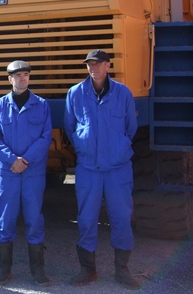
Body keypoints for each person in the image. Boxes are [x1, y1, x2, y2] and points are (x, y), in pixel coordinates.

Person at [64, 49, 140, 290]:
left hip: (117, 169)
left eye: (98, 64)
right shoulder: (75, 93)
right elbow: (70, 127)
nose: (93, 68)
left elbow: (130, 128)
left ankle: (122, 270)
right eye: (90, 64)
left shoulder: (123, 93)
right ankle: (88, 269)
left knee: (121, 218)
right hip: (89, 169)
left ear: (108, 66)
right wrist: (84, 147)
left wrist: (118, 148)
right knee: (86, 219)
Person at [0, 61, 52, 286]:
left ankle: (38, 269)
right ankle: (4, 269)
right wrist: (12, 160)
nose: (22, 78)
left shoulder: (41, 105)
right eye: (17, 75)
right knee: (6, 219)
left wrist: (25, 160)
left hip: (32, 171)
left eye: (25, 74)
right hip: (8, 172)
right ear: (10, 79)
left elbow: (46, 137)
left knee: (34, 219)